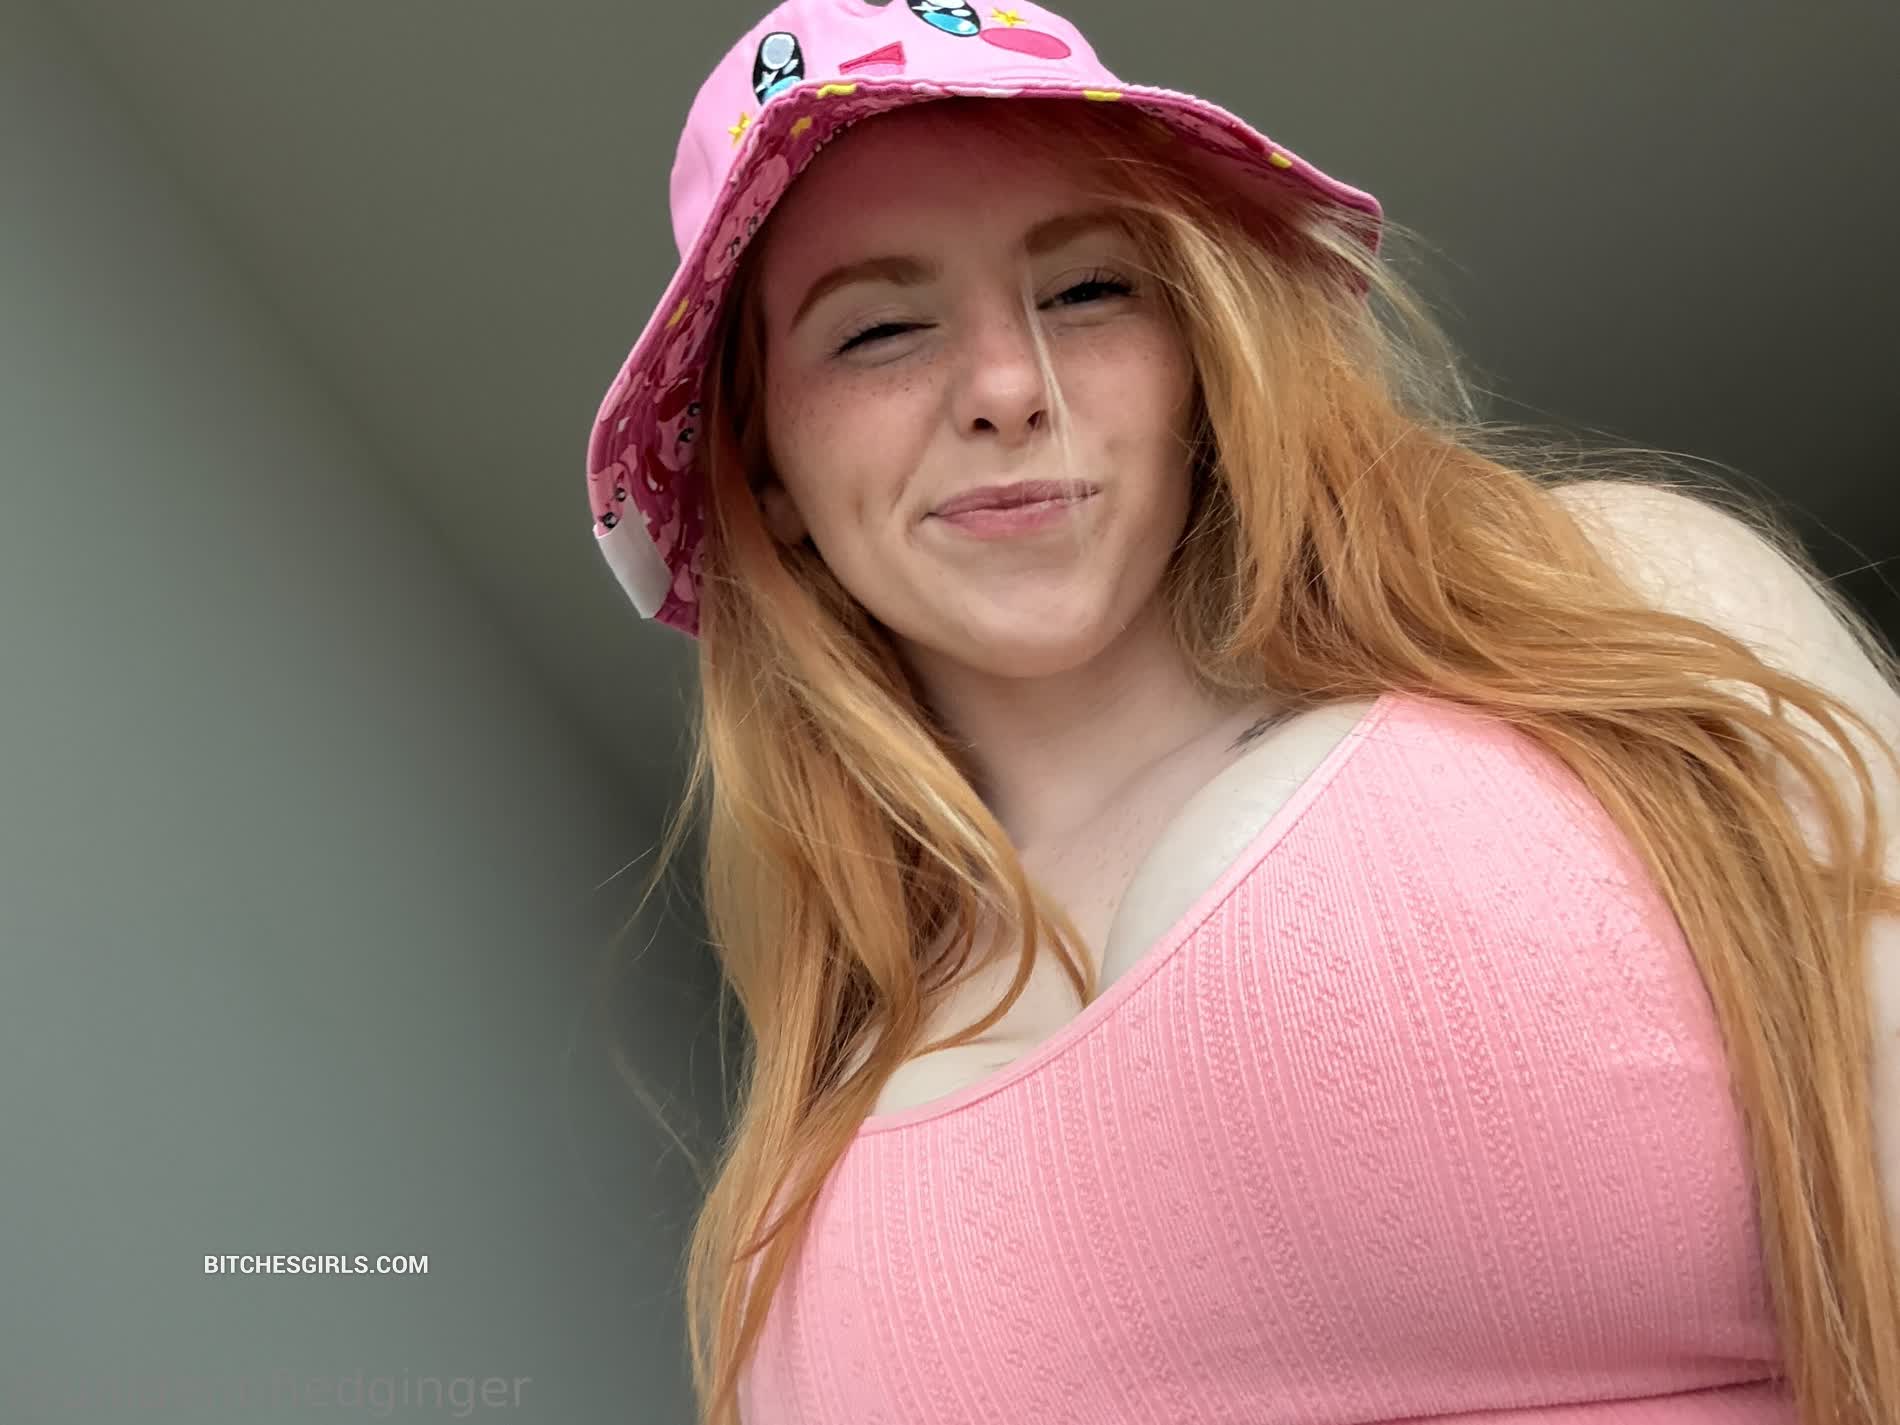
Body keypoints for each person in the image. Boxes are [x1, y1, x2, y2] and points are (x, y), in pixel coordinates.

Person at [581, 4, 1900, 1423]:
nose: (1009, 389)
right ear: (762, 464)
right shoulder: (796, 1198)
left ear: (1197, 345)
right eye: (882, 329)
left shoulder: (1621, 609)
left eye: (1089, 291)